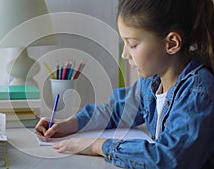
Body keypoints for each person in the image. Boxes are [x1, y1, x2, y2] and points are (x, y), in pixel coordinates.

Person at [35, 0, 214, 168]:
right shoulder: (151, 82)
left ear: (172, 43)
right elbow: (116, 111)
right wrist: (71, 124)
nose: (125, 55)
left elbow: (169, 158)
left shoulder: (198, 92)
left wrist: (98, 146)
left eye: (133, 44)